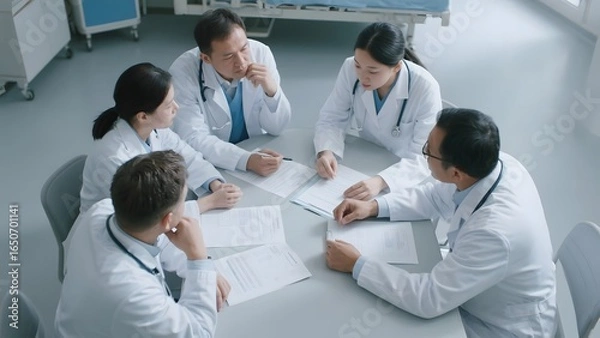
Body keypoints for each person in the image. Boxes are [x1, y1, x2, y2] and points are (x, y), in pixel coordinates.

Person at [326, 108, 557, 337]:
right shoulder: (491, 163)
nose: (423, 154)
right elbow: (435, 197)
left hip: (500, 325)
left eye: (428, 151)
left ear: (456, 173)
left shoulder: (493, 233)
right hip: (481, 292)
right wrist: (374, 207)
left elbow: (428, 299)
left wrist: (357, 265)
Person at [55, 150, 229, 337]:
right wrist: (199, 260)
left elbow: (159, 238)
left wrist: (201, 272)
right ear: (168, 220)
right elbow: (199, 332)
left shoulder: (102, 210)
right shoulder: (135, 295)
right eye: (183, 201)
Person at [80, 62, 242, 215]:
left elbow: (187, 157)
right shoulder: (115, 158)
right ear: (143, 116)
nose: (176, 108)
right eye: (168, 105)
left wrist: (215, 184)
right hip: (111, 233)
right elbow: (148, 216)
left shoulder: (154, 129)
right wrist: (209, 203)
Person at [314, 22, 441, 200]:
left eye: (373, 71)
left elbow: (424, 156)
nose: (362, 76)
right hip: (365, 158)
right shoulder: (349, 68)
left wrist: (381, 182)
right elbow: (332, 118)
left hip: (402, 172)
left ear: (396, 66)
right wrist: (326, 151)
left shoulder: (425, 87)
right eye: (358, 66)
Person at [170, 8, 291, 177]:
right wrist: (245, 160)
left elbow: (277, 128)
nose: (241, 62)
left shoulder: (261, 53)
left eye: (244, 48)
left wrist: (271, 90)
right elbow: (192, 137)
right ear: (206, 58)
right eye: (228, 57)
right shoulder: (183, 72)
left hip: (258, 150)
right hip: (213, 163)